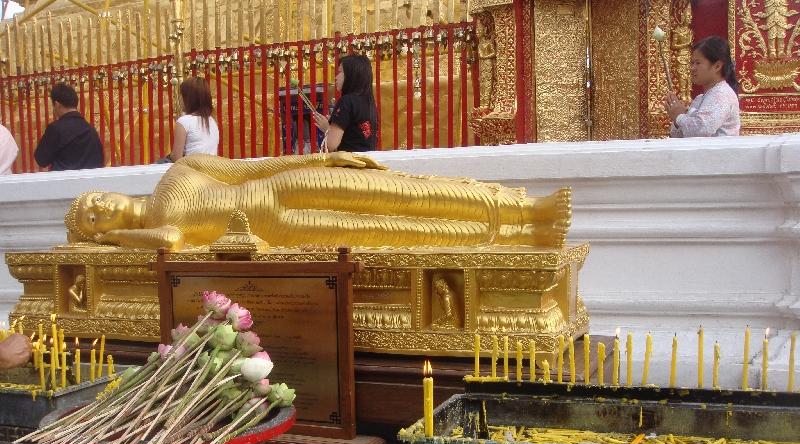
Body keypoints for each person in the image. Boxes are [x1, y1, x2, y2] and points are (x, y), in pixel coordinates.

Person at [64, 152, 572, 251]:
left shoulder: (180, 171)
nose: (99, 210)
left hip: (281, 188)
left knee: (398, 193)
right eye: (92, 221)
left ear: (106, 189)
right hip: (279, 230)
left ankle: (526, 209)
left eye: (94, 202)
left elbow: (246, 168)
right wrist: (113, 237)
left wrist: (319, 159)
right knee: (399, 232)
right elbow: (171, 240)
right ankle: (521, 235)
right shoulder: (155, 225)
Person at [664, 36, 740, 137]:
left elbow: (701, 130)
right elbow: (678, 135)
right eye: (692, 63)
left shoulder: (722, 95)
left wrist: (679, 117)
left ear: (717, 66)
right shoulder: (700, 99)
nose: (692, 68)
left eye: (698, 63)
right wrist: (677, 114)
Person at [312, 55, 378, 152]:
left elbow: (331, 145)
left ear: (351, 75)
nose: (336, 77)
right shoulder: (369, 104)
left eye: (339, 72)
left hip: (349, 163)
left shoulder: (346, 102)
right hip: (367, 161)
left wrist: (327, 128)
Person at [34, 83, 104, 171]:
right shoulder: (90, 130)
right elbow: (99, 162)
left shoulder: (56, 129)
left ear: (57, 104)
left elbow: (41, 159)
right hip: (87, 183)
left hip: (63, 182)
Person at [166, 77, 220, 162]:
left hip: (192, 172)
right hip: (211, 171)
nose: (179, 99)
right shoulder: (212, 121)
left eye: (182, 95)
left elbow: (176, 157)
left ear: (189, 99)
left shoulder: (184, 121)